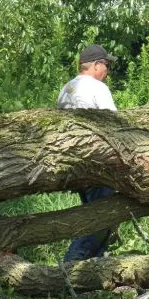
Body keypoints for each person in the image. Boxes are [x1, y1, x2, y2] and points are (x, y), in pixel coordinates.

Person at [57, 44, 118, 261]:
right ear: (95, 65)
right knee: (100, 217)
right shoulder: (97, 88)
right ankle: (71, 265)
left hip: (73, 162)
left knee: (95, 215)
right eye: (106, 65)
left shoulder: (66, 88)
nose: (107, 70)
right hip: (97, 162)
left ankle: (92, 269)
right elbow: (114, 124)